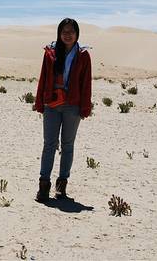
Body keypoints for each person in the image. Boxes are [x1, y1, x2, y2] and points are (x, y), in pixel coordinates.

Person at [33, 18, 92, 202]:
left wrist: (85, 107)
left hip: (72, 105)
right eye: (64, 32)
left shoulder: (83, 55)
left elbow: (86, 83)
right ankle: (43, 186)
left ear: (77, 34)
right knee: (49, 144)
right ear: (59, 33)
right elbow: (43, 78)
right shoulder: (50, 52)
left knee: (67, 145)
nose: (67, 35)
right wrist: (39, 102)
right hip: (51, 104)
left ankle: (61, 186)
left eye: (71, 32)